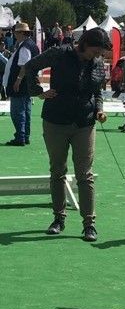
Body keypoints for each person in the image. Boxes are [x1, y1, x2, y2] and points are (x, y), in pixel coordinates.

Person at [25, 27, 112, 242]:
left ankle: (89, 224)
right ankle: (58, 219)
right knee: (58, 171)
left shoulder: (98, 63)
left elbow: (97, 91)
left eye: (100, 52)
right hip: (56, 120)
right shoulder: (59, 53)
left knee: (85, 173)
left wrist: (99, 109)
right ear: (84, 43)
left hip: (85, 122)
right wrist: (38, 91)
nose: (97, 55)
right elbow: (30, 66)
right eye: (95, 50)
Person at [2, 22, 39, 146]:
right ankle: (24, 135)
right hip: (27, 83)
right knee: (25, 110)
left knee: (18, 111)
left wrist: (18, 80)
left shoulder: (25, 47)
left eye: (16, 32)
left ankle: (20, 136)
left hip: (21, 84)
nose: (14, 34)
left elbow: (24, 65)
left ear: (22, 33)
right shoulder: (30, 45)